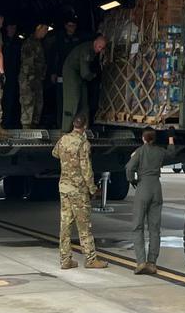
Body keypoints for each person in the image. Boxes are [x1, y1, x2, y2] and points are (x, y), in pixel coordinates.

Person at [52, 114, 108, 270]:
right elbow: (86, 169)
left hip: (64, 187)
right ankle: (90, 259)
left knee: (65, 225)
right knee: (84, 226)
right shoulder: (83, 143)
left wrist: (67, 160)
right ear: (85, 127)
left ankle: (65, 259)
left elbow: (55, 153)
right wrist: (92, 188)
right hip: (78, 189)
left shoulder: (63, 140)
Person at [126, 127, 176, 274]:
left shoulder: (140, 151)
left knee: (138, 226)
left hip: (143, 187)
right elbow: (172, 154)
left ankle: (141, 261)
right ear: (154, 139)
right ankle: (152, 262)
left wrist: (132, 180)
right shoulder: (160, 151)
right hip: (156, 188)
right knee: (154, 228)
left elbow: (129, 168)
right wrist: (171, 138)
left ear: (143, 138)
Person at [60, 35, 107, 132]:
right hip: (71, 73)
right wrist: (94, 76)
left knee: (84, 101)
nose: (99, 50)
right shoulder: (87, 50)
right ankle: (66, 129)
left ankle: (83, 127)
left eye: (102, 48)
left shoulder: (92, 50)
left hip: (79, 75)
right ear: (95, 43)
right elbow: (85, 73)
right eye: (99, 47)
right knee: (73, 100)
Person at [51, 16, 86, 128]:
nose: (72, 28)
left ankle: (75, 124)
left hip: (75, 75)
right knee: (61, 100)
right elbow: (54, 56)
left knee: (75, 100)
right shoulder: (59, 39)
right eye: (70, 26)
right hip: (61, 74)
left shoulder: (79, 38)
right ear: (66, 26)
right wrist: (53, 72)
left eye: (74, 26)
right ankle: (60, 123)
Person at [19, 23, 48, 129]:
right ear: (38, 28)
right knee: (28, 100)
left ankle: (34, 123)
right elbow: (27, 62)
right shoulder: (29, 43)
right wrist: (30, 76)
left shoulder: (39, 43)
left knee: (38, 101)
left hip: (37, 77)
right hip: (28, 77)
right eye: (44, 29)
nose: (46, 32)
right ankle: (26, 124)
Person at [2, 22, 22, 128]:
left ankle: (7, 122)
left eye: (14, 27)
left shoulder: (18, 42)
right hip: (2, 73)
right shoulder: (1, 40)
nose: (13, 29)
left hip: (13, 74)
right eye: (11, 27)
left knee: (11, 99)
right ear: (7, 28)